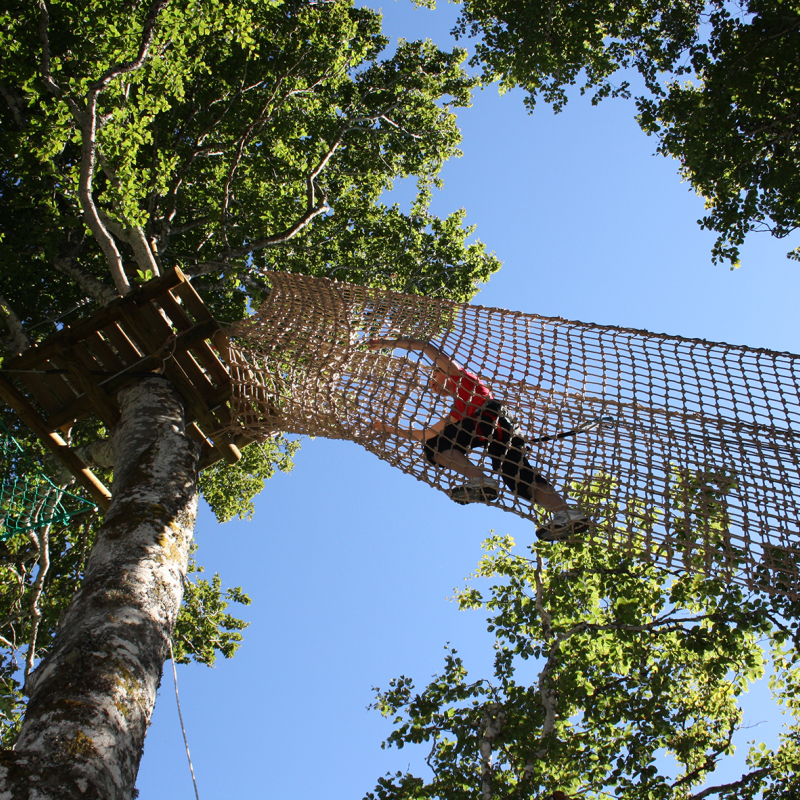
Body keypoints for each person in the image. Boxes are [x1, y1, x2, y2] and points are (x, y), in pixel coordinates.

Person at [368, 337, 588, 541]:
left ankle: (481, 481)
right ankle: (567, 514)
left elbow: (425, 347)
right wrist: (388, 429)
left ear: (444, 371)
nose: (432, 384)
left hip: (491, 418)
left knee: (437, 446)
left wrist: (388, 343)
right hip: (502, 432)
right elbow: (425, 435)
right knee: (518, 480)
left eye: (434, 376)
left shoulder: (461, 378)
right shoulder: (457, 411)